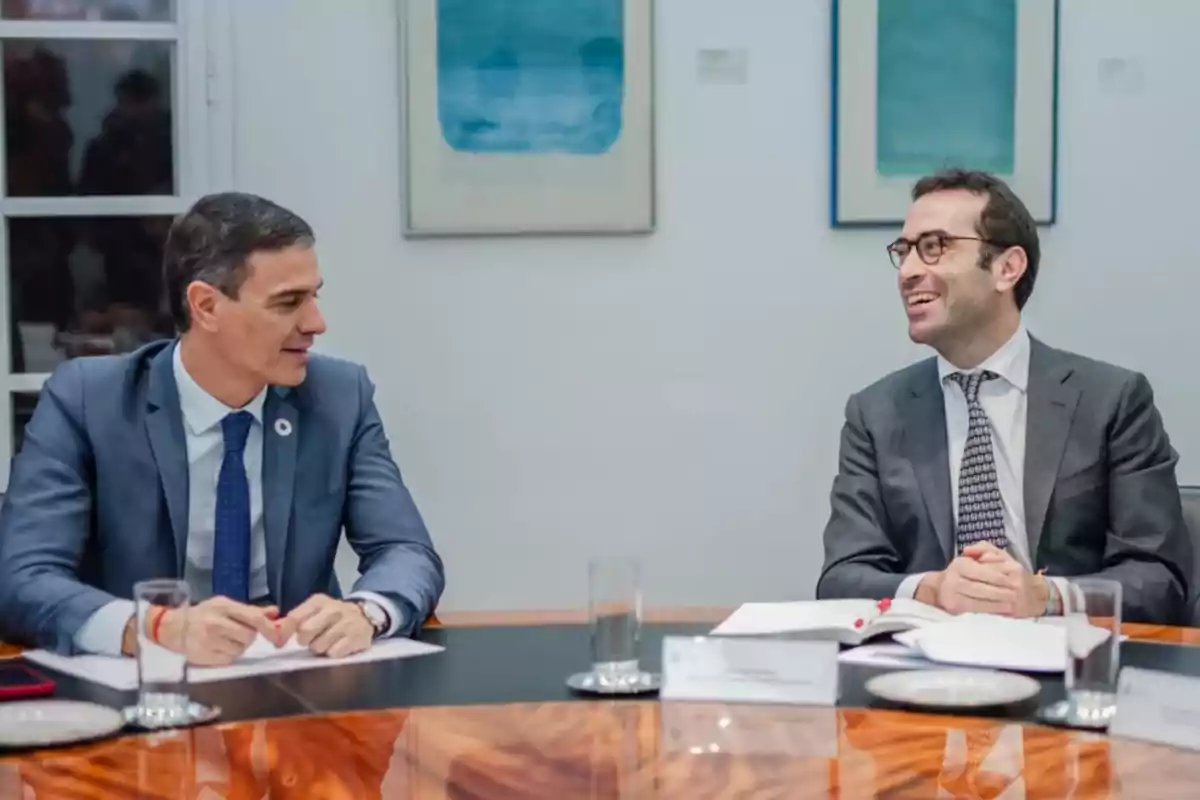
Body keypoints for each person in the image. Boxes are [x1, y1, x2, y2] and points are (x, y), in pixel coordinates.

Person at [0, 192, 445, 662]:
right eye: (288, 302)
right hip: (146, 684)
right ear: (206, 306)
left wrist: (366, 612)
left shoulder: (339, 397)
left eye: (314, 296)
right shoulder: (90, 401)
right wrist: (154, 628)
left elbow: (407, 552)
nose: (316, 323)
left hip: (293, 679)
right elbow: (23, 578)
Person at [816, 168, 1191, 624]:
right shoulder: (875, 414)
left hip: (1064, 656)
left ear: (1007, 268)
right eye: (904, 251)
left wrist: (1044, 596)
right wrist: (932, 589)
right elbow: (841, 577)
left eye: (934, 246)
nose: (909, 271)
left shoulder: (1112, 401)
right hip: (926, 659)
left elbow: (1160, 578)